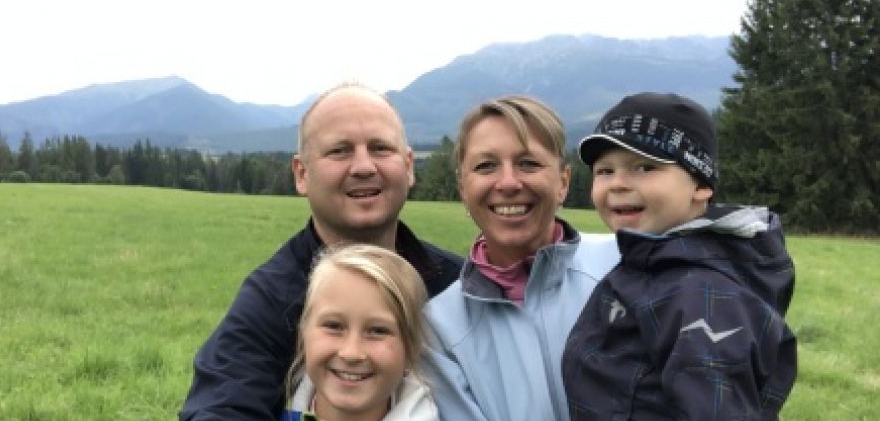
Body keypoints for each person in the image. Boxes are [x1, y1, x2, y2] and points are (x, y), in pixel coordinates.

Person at [180, 82, 462, 420]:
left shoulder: (458, 286)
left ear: (409, 166)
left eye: (380, 148)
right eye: (340, 151)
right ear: (301, 174)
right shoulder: (271, 299)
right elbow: (221, 407)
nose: (363, 166)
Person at [562, 92, 797, 419]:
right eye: (604, 171)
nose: (617, 184)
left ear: (700, 184)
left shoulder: (703, 294)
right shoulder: (651, 263)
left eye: (644, 167)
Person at [422, 95, 620, 420]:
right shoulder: (439, 327)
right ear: (463, 188)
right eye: (485, 166)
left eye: (528, 163)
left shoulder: (623, 265)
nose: (508, 183)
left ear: (563, 182)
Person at [281, 243, 438, 421]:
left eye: (378, 331)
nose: (351, 353)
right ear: (304, 333)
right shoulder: (265, 406)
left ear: (411, 349)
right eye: (334, 326)